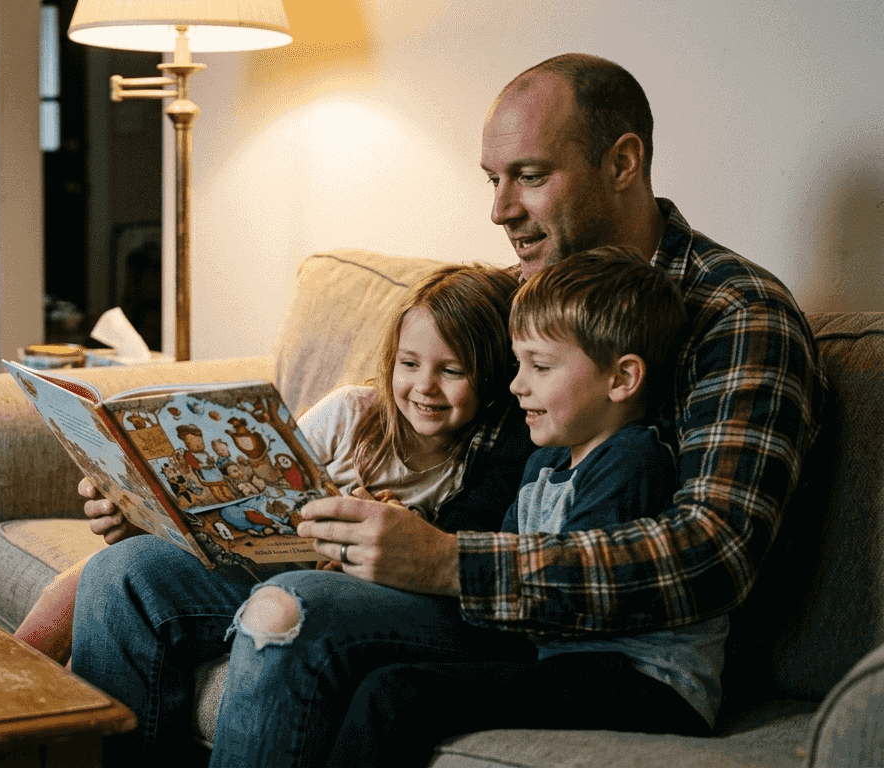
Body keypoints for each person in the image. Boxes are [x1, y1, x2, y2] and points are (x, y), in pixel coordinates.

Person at [81, 51, 826, 764]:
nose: (500, 210)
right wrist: (171, 500)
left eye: (529, 177)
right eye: (493, 179)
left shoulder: (735, 315)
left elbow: (713, 554)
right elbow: (418, 435)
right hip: (440, 568)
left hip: (557, 626)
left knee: (297, 609)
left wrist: (446, 562)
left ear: (623, 163)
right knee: (129, 576)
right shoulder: (520, 294)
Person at [67, 265, 537, 764]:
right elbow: (255, 488)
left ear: (491, 378)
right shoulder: (352, 414)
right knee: (119, 572)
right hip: (270, 557)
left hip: (348, 591)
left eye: (452, 370)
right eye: (410, 363)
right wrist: (141, 512)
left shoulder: (490, 458)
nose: (425, 386)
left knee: (285, 602)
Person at [327, 246, 727, 764]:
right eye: (519, 364)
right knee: (378, 667)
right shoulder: (544, 462)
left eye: (540, 366)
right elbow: (505, 575)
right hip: (571, 659)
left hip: (645, 680)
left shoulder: (631, 460)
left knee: (397, 693)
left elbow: (576, 607)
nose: (517, 386)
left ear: (622, 379)